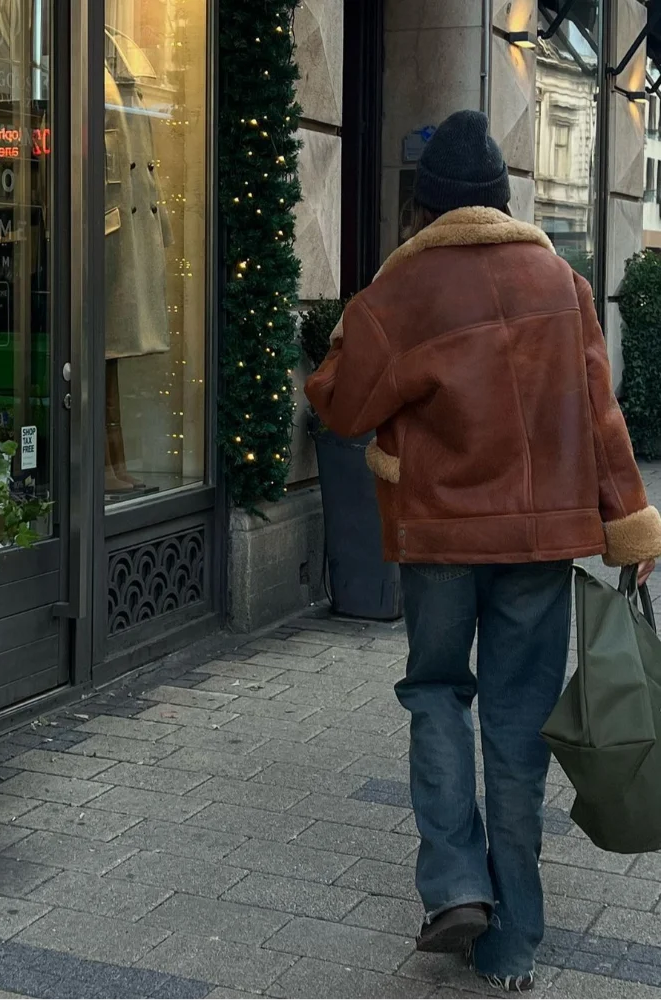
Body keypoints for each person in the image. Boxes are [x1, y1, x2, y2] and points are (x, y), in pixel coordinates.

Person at [304, 110, 661, 993]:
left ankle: (457, 885)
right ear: (503, 200)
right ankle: (513, 942)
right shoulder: (561, 282)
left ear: (425, 210)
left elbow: (339, 407)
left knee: (435, 694)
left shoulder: (402, 295)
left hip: (437, 546)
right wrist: (633, 524)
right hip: (541, 546)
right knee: (515, 730)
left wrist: (368, 307)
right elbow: (601, 416)